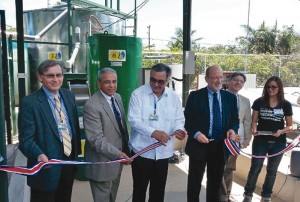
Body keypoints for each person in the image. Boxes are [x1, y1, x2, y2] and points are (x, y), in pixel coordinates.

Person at [18, 59, 81, 202]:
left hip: (68, 164)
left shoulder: (69, 95)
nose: (56, 79)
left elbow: (74, 128)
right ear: (40, 77)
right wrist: (39, 155)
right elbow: (26, 140)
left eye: (59, 75)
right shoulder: (30, 103)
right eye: (50, 75)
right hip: (46, 167)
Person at [128, 63, 186, 202]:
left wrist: (179, 129)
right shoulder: (138, 94)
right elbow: (134, 121)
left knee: (158, 191)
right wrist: (154, 132)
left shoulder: (173, 97)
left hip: (163, 154)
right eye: (152, 79)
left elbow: (179, 119)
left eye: (160, 81)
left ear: (167, 81)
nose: (155, 84)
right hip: (142, 152)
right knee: (139, 190)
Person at [185, 65, 240, 202]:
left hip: (219, 146)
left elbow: (235, 119)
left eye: (221, 77)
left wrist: (232, 130)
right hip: (199, 145)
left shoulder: (230, 98)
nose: (218, 81)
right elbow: (187, 121)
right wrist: (197, 134)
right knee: (194, 182)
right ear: (206, 79)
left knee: (215, 184)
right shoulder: (195, 96)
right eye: (214, 77)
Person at [83, 67, 131, 202]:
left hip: (117, 161)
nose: (112, 85)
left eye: (114, 81)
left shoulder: (117, 97)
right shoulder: (92, 105)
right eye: (107, 82)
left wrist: (126, 150)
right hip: (102, 162)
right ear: (99, 83)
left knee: (112, 197)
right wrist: (117, 153)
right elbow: (96, 139)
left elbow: (121, 128)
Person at [243, 76, 293, 202]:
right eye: (268, 86)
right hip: (260, 140)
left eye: (274, 87)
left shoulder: (285, 104)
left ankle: (266, 196)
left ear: (279, 88)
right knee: (255, 168)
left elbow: (290, 125)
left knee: (272, 170)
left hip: (278, 142)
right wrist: (253, 129)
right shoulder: (259, 102)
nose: (270, 89)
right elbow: (254, 121)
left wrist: (281, 131)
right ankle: (248, 194)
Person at [219, 72, 252, 202]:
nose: (238, 83)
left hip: (236, 140)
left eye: (241, 81)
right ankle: (219, 194)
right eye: (236, 80)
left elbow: (247, 121)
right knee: (218, 168)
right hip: (220, 139)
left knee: (229, 168)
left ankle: (227, 194)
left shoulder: (245, 101)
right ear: (229, 81)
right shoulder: (219, 96)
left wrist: (247, 138)